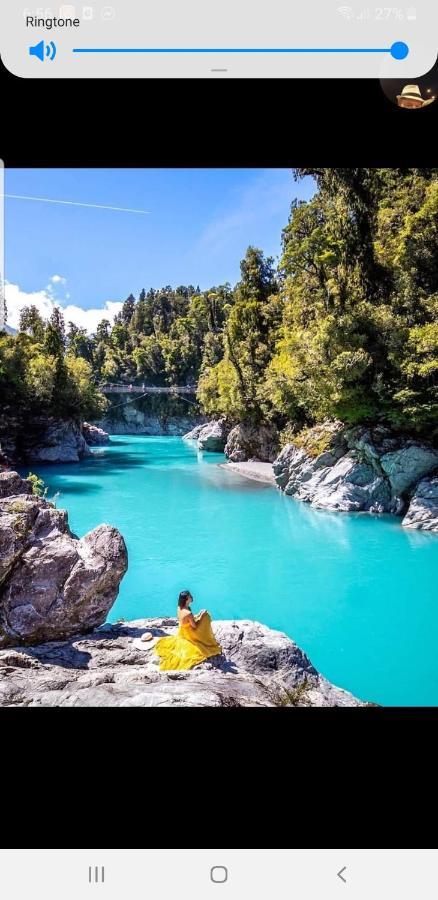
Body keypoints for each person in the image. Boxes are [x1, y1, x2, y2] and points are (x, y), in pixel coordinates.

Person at [154, 590, 222, 671]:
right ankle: (209, 641)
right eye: (190, 596)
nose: (192, 597)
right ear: (186, 599)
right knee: (206, 616)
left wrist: (197, 616)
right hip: (190, 633)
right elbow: (194, 626)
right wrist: (201, 615)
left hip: (183, 631)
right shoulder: (188, 613)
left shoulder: (179, 608)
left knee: (202, 615)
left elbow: (186, 620)